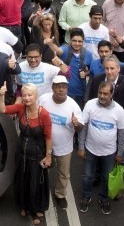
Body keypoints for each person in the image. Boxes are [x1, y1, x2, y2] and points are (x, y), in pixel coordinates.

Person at [0, 83, 51, 224]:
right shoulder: (21, 108)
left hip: (37, 156)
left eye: (30, 95)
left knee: (35, 184)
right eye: (24, 95)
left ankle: (35, 210)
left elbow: (48, 137)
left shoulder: (44, 114)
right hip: (22, 153)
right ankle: (24, 205)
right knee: (22, 181)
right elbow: (2, 109)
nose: (27, 98)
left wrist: (48, 156)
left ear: (36, 96)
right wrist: (2, 95)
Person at [77, 81, 124, 216]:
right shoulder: (90, 105)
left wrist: (120, 153)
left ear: (112, 94)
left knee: (106, 177)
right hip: (90, 149)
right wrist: (81, 147)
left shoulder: (119, 110)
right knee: (87, 176)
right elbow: (83, 128)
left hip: (110, 152)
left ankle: (103, 198)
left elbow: (122, 134)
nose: (102, 96)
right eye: (100, 93)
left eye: (105, 93)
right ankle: (86, 196)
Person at [38, 75, 82, 211]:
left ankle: (60, 195)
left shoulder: (73, 106)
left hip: (64, 147)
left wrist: (77, 124)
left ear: (67, 88)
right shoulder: (43, 99)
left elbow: (80, 128)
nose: (61, 89)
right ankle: (39, 191)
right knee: (40, 168)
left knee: (63, 173)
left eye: (64, 87)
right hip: (44, 145)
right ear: (52, 88)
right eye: (58, 86)